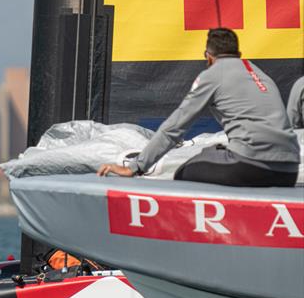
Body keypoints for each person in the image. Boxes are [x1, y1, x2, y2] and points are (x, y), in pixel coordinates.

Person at [98, 28, 300, 187]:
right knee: (216, 152)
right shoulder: (261, 74)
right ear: (238, 53)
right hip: (288, 171)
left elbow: (175, 128)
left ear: (209, 56)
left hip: (249, 166)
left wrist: (135, 167)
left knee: (186, 169)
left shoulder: (212, 74)